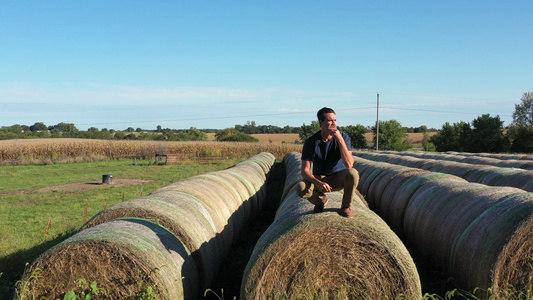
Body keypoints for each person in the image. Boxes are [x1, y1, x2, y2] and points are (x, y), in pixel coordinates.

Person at [297, 107, 359, 218]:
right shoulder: (311, 142)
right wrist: (318, 183)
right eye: (329, 120)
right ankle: (320, 201)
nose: (333, 123)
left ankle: (345, 206)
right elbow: (305, 170)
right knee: (301, 188)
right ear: (321, 122)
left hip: (338, 177)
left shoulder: (344, 137)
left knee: (352, 173)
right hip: (320, 178)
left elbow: (349, 164)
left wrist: (339, 139)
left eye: (335, 120)